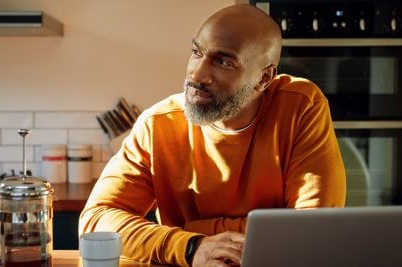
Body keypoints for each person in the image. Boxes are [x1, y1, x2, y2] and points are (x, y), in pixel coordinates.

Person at [78, 4, 346, 267]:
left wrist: (194, 228)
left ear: (264, 79)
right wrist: (191, 246)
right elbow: (96, 222)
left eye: (222, 61)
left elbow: (314, 230)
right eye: (197, 52)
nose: (197, 74)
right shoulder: (158, 125)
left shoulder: (300, 106)